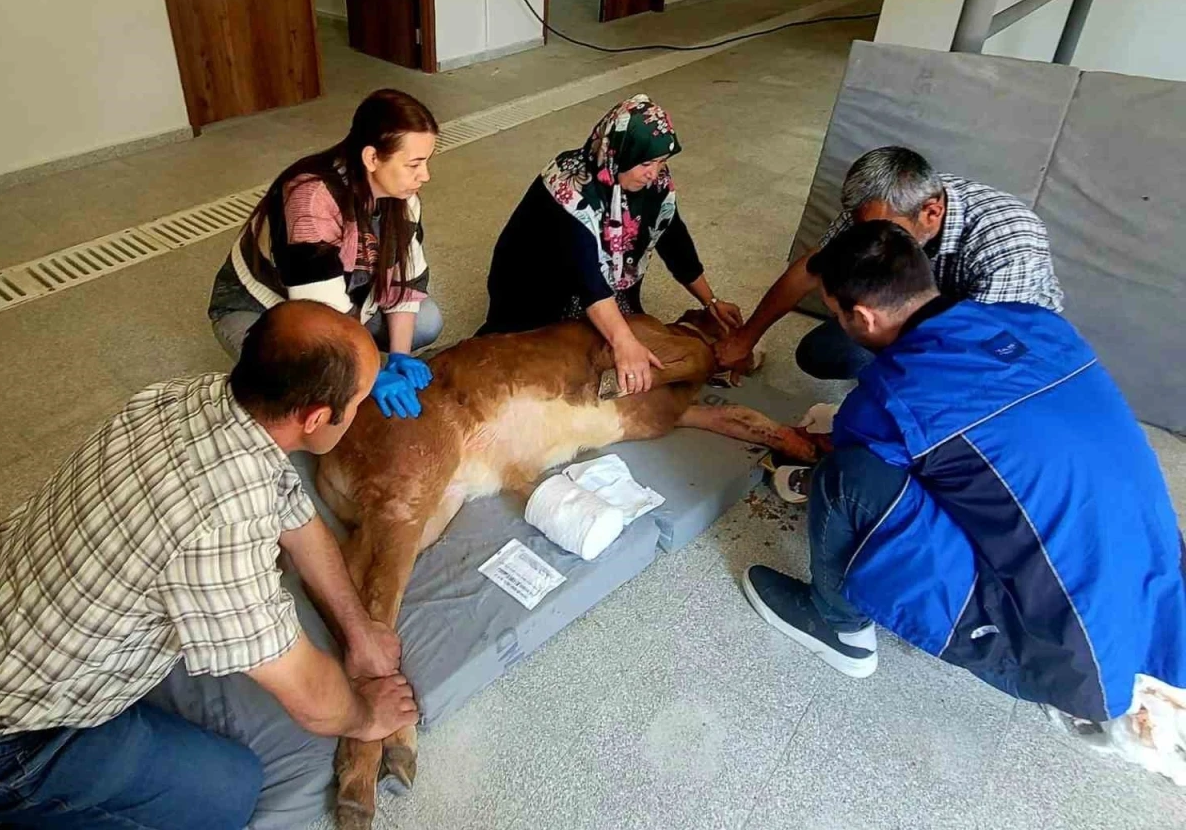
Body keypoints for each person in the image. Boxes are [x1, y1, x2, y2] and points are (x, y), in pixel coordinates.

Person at [0, 301, 419, 829]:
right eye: (359, 402)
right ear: (314, 418)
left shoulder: (186, 395)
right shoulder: (222, 527)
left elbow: (294, 514)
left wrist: (359, 631)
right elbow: (309, 694)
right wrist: (367, 717)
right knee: (227, 797)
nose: (362, 410)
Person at [741, 220, 1186, 725]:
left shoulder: (892, 398)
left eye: (836, 311)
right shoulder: (1039, 323)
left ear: (862, 316)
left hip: (1070, 660)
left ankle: (838, 627)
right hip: (1166, 598)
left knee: (848, 477)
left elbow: (845, 449)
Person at [715, 145, 1064, 380]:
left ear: (931, 213)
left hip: (999, 343)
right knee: (826, 353)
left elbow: (981, 352)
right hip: (912, 312)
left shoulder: (1006, 240)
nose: (872, 239)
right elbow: (810, 269)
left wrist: (873, 416)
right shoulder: (874, 213)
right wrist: (746, 338)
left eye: (887, 232)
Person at [477, 94, 743, 396]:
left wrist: (711, 301)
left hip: (595, 284)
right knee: (543, 362)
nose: (654, 173)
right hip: (537, 286)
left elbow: (674, 240)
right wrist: (623, 342)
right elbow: (588, 280)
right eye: (646, 162)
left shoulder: (653, 182)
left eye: (662, 162)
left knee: (632, 339)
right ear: (619, 151)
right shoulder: (570, 189)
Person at [208, 89, 442, 419]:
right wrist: (370, 374)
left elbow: (405, 282)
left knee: (426, 320)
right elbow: (318, 319)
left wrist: (399, 356)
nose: (425, 175)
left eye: (427, 161)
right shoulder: (309, 200)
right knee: (314, 382)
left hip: (345, 299)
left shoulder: (403, 198)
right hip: (261, 309)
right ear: (372, 158)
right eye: (414, 164)